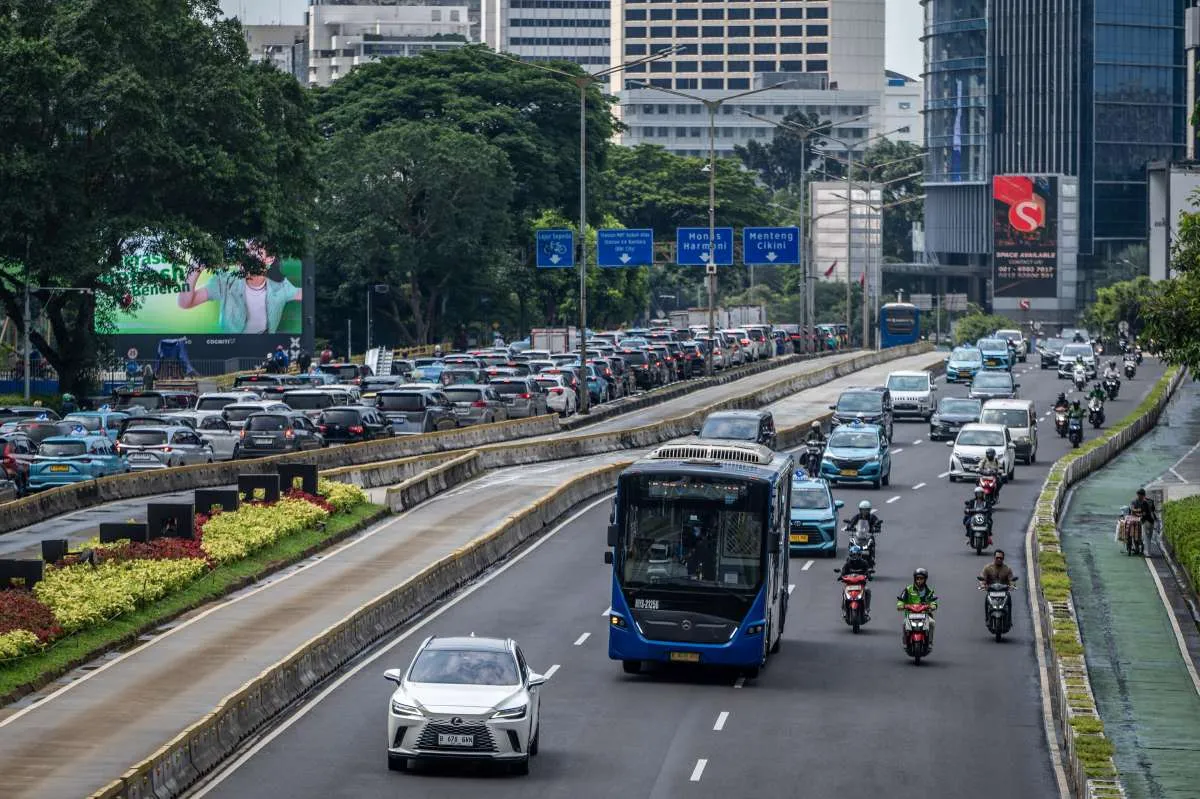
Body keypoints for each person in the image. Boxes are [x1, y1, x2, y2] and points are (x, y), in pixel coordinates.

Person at [175, 244, 302, 335]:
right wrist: (194, 268)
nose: (247, 255)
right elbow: (184, 302)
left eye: (254, 250)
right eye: (245, 250)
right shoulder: (225, 280)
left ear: (270, 259)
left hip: (263, 350)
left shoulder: (280, 287)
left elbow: (306, 294)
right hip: (228, 348)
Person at [897, 568, 938, 648]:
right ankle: (906, 641)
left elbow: (933, 602)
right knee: (904, 623)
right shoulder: (908, 589)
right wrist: (902, 605)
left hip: (924, 615)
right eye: (917, 578)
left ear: (925, 579)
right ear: (914, 579)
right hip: (910, 615)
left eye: (921, 579)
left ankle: (929, 641)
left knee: (932, 623)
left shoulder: (929, 591)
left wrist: (932, 606)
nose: (919, 581)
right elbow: (901, 600)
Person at [838, 544, 873, 613]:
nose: (855, 557)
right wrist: (841, 576)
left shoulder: (864, 563)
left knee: (868, 591)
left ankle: (867, 607)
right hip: (850, 584)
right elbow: (843, 571)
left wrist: (869, 576)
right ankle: (843, 607)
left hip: (860, 584)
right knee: (844, 591)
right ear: (850, 555)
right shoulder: (848, 563)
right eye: (853, 555)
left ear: (860, 555)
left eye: (857, 555)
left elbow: (867, 571)